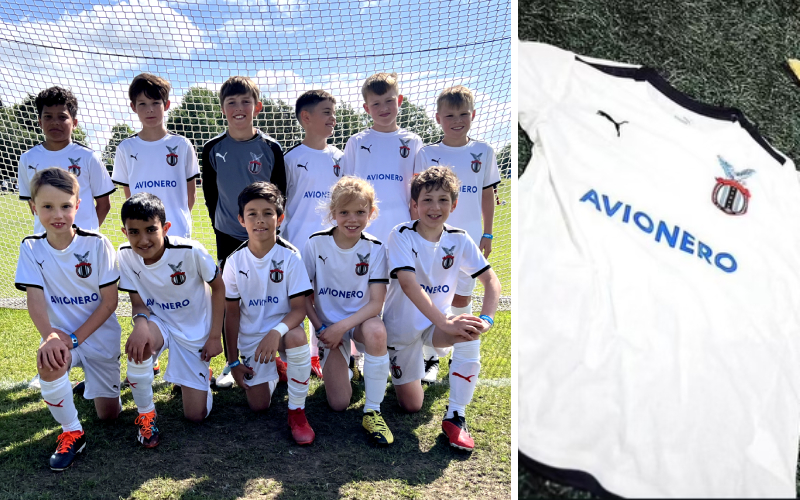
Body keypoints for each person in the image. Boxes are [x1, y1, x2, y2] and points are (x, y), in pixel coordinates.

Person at [385, 166, 501, 451]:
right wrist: (447, 323)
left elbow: (491, 280)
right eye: (426, 200)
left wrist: (486, 317)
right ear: (414, 205)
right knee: (412, 406)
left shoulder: (459, 237)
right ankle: (408, 366)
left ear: (454, 204)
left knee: (469, 331)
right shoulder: (401, 234)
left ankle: (456, 416)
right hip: (401, 330)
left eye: (443, 200)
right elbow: (410, 286)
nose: (434, 207)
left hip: (436, 325)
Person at [14, 167, 122, 470]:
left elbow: (109, 302)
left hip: (98, 336)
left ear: (78, 206)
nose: (57, 214)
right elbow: (34, 298)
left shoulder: (97, 244)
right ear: (34, 208)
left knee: (109, 416)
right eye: (47, 206)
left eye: (64, 205)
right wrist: (49, 335)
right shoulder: (31, 247)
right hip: (60, 335)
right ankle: (72, 431)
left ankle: (89, 379)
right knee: (48, 359)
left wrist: (75, 338)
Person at [117, 192, 224, 447]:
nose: (143, 240)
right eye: (134, 232)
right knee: (140, 347)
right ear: (124, 232)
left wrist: (213, 336)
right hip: (160, 322)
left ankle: (200, 378)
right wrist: (140, 324)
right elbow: (138, 302)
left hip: (194, 330)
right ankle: (146, 417)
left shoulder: (191, 251)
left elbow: (219, 288)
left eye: (150, 230)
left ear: (165, 228)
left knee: (195, 416)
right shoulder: (124, 255)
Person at [202, 76, 287, 388]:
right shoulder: (212, 148)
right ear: (223, 109)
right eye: (231, 103)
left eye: (245, 101)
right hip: (229, 235)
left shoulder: (271, 148)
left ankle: (280, 356)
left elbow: (280, 196)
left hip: (265, 236)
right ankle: (231, 360)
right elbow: (211, 196)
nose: (239, 108)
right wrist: (228, 224)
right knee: (229, 300)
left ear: (257, 107)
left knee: (269, 295)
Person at [413, 85, 501, 383]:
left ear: (473, 115)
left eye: (463, 114)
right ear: (438, 118)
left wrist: (487, 233)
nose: (457, 120)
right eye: (449, 115)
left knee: (463, 295)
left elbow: (488, 194)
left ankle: (458, 354)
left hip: (470, 237)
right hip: (433, 237)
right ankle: (430, 358)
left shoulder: (484, 151)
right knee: (436, 296)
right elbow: (418, 198)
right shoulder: (427, 153)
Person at [221, 182, 315, 445]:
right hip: (253, 338)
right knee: (259, 406)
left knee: (296, 338)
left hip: (284, 331)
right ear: (241, 219)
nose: (260, 220)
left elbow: (300, 309)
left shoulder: (291, 256)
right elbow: (231, 314)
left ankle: (297, 412)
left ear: (280, 218)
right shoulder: (234, 262)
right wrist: (233, 362)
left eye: (267, 213)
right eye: (252, 213)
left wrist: (276, 332)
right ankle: (275, 368)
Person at [303, 176, 394, 445]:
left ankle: (373, 411)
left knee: (377, 332)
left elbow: (376, 304)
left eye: (360, 212)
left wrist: (341, 327)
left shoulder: (375, 248)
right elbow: (302, 296)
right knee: (338, 404)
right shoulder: (316, 243)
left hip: (359, 322)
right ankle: (347, 365)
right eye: (344, 212)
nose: (352, 219)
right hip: (328, 328)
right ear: (333, 214)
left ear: (371, 213)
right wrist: (321, 329)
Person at [282, 89, 345, 379]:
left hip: (334, 244)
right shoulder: (290, 158)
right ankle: (293, 358)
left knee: (328, 299)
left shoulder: (341, 158)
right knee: (298, 301)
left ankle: (330, 353)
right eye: (327, 112)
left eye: (334, 111)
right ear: (306, 118)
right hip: (297, 242)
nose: (333, 118)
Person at [18, 86, 115, 235]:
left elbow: (104, 204)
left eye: (62, 117)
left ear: (74, 123)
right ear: (40, 122)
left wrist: (87, 233)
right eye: (48, 117)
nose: (55, 122)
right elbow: (34, 206)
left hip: (84, 244)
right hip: (46, 245)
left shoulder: (88, 157)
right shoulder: (27, 158)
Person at [112, 73, 199, 238]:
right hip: (143, 233)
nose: (149, 109)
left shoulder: (182, 145)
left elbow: (191, 193)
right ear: (133, 107)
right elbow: (129, 194)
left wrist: (179, 218)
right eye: (142, 104)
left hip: (177, 231)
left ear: (166, 105)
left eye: (155, 103)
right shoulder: (125, 148)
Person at [340, 72, 423, 244]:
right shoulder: (356, 142)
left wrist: (417, 227)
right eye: (376, 104)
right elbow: (346, 190)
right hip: (365, 227)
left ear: (399, 101)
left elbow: (418, 192)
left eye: (389, 101)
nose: (383, 108)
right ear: (367, 108)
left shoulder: (413, 141)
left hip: (402, 226)